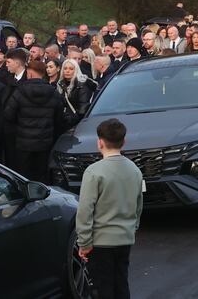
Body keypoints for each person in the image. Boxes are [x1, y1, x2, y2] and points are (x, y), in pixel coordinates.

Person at [76, 119, 143, 299]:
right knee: (121, 284)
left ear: (100, 142)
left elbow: (85, 210)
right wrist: (132, 228)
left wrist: (84, 242)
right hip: (125, 239)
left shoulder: (93, 172)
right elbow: (138, 205)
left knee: (103, 288)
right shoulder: (135, 170)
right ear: (124, 141)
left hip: (100, 242)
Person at [2, 60, 63, 182]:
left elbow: (8, 115)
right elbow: (59, 118)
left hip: (23, 143)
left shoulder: (19, 91)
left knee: (23, 177)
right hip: (45, 143)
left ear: (29, 73)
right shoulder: (54, 92)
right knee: (41, 176)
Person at [58, 59, 94, 131]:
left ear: (76, 70)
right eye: (65, 68)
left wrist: (69, 120)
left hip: (76, 125)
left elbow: (83, 108)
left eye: (71, 69)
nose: (67, 71)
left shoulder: (81, 85)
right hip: (65, 123)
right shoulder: (60, 84)